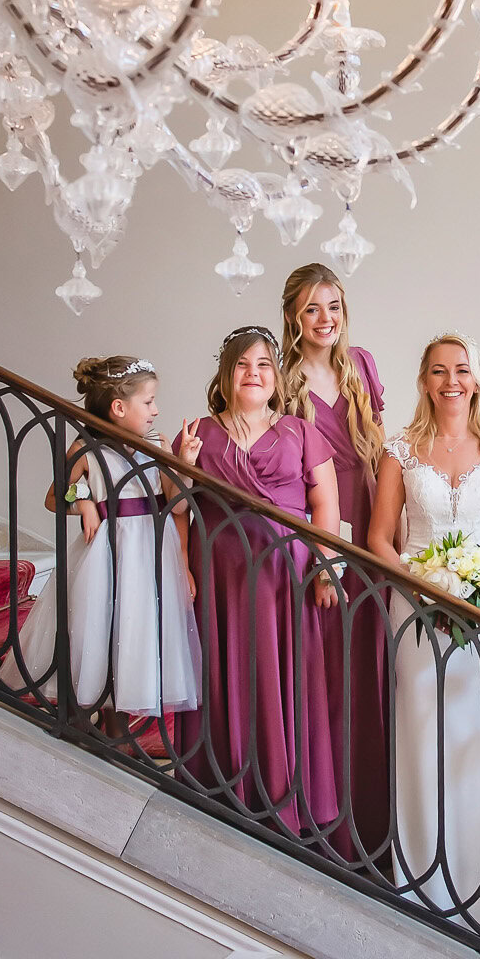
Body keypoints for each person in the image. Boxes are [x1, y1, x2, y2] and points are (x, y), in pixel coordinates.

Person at [367, 333, 480, 930]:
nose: (450, 381)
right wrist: (419, 584)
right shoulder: (401, 451)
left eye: (461, 370)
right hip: (415, 610)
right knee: (424, 733)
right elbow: (380, 536)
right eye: (438, 371)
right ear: (424, 381)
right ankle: (424, 888)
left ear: (477, 378)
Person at [174, 327, 343, 845]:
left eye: (264, 364)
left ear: (276, 376)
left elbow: (327, 508)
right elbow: (179, 508)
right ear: (225, 375)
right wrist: (182, 564)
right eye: (243, 364)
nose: (254, 373)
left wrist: (323, 566)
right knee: (226, 672)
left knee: (285, 675)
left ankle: (286, 797)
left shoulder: (300, 430)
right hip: (219, 577)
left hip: (285, 577)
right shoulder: (197, 431)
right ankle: (224, 788)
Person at [3, 356, 200, 731]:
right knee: (101, 629)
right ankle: (83, 720)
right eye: (148, 402)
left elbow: (175, 496)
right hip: (107, 552)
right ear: (119, 407)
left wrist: (184, 462)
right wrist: (85, 502)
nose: (156, 410)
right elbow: (54, 496)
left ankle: (119, 727)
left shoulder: (156, 443)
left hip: (149, 553)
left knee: (136, 631)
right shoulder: (85, 448)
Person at [281, 262, 390, 869]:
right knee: (323, 661)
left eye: (334, 306)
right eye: (313, 309)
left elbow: (378, 444)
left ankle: (370, 814)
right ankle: (320, 806)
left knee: (367, 657)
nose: (326, 319)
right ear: (295, 317)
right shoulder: (282, 373)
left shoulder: (362, 366)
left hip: (367, 508)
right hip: (319, 517)